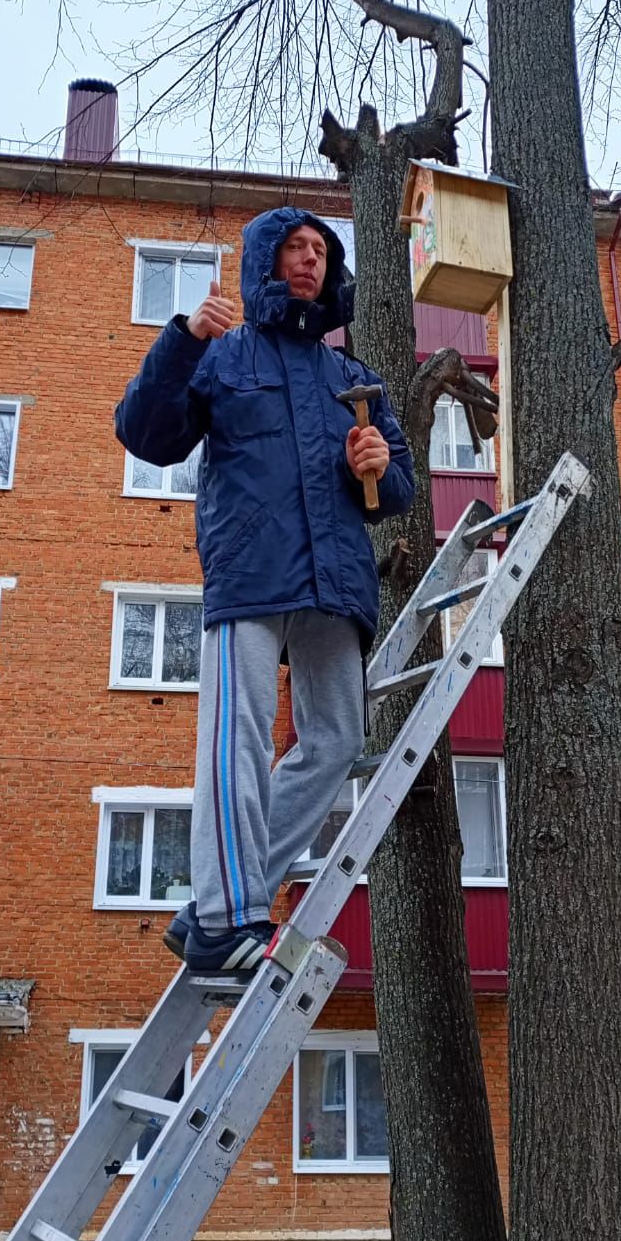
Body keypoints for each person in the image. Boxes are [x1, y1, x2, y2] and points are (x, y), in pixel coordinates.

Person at [115, 207, 415, 972]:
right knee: (237, 737)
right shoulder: (224, 353)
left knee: (338, 739)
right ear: (264, 260)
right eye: (294, 248)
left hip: (335, 578)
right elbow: (146, 436)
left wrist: (379, 462)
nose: (309, 260)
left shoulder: (354, 378)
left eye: (319, 250)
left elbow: (400, 486)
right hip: (250, 572)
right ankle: (225, 917)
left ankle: (229, 894)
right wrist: (184, 337)